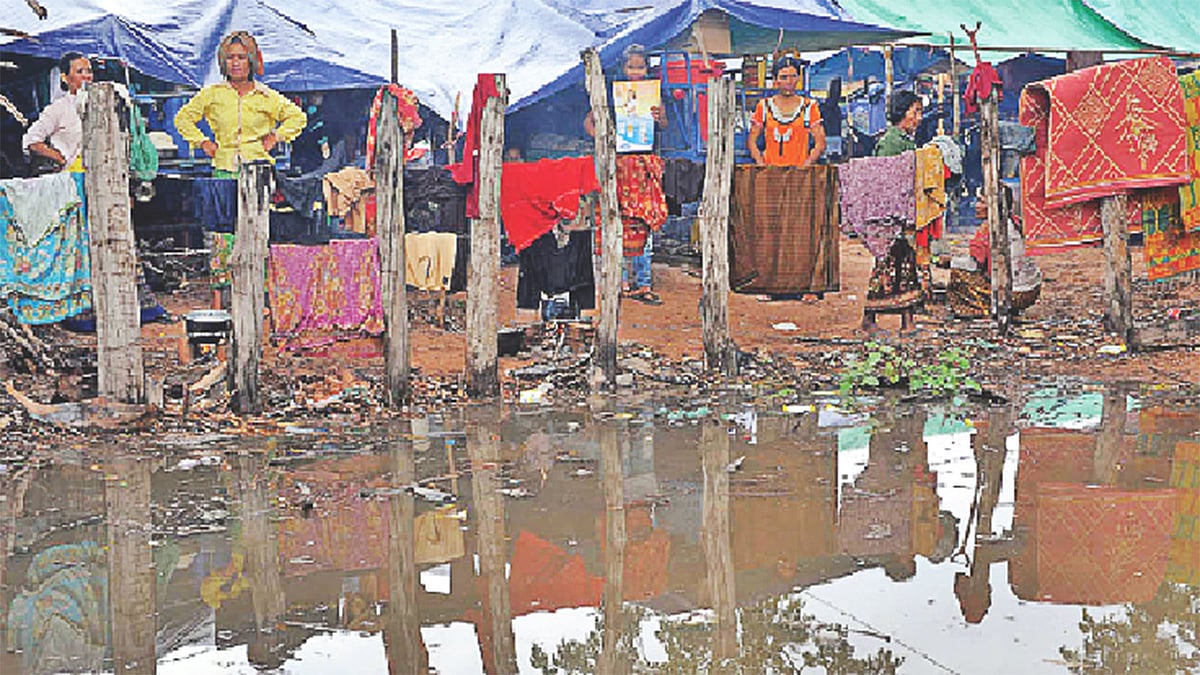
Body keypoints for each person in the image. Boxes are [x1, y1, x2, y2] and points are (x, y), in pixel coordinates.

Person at [584, 43, 667, 305]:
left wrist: (658, 117)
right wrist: (603, 139)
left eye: (640, 67)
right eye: (632, 67)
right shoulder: (612, 94)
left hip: (644, 167)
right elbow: (589, 122)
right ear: (624, 67)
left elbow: (664, 123)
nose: (636, 72)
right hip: (617, 166)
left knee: (644, 222)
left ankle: (643, 283)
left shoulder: (653, 94)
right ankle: (620, 281)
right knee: (616, 221)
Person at [173, 31, 306, 178]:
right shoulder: (212, 93)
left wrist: (276, 137)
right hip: (224, 170)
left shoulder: (267, 96)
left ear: (251, 61)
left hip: (259, 169)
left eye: (241, 57)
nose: (235, 63)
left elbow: (298, 118)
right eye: (230, 57)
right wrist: (202, 142)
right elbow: (183, 118)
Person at [862, 90, 923, 335]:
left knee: (905, 266)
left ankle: (906, 321)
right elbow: (885, 180)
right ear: (902, 113)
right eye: (915, 112)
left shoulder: (905, 140)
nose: (918, 117)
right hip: (889, 216)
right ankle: (870, 319)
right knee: (887, 266)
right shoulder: (891, 142)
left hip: (901, 213)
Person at [747, 55, 825, 167]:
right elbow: (751, 141)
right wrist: (761, 164)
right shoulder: (764, 106)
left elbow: (820, 144)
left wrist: (805, 166)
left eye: (793, 76)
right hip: (771, 173)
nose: (789, 81)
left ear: (798, 78)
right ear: (775, 79)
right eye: (783, 77)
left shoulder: (809, 107)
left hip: (799, 173)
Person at [22, 52, 93, 173]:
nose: (86, 76)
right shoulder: (58, 108)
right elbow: (31, 140)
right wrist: (61, 159)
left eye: (89, 71)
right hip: (73, 177)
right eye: (80, 71)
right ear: (65, 78)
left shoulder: (104, 104)